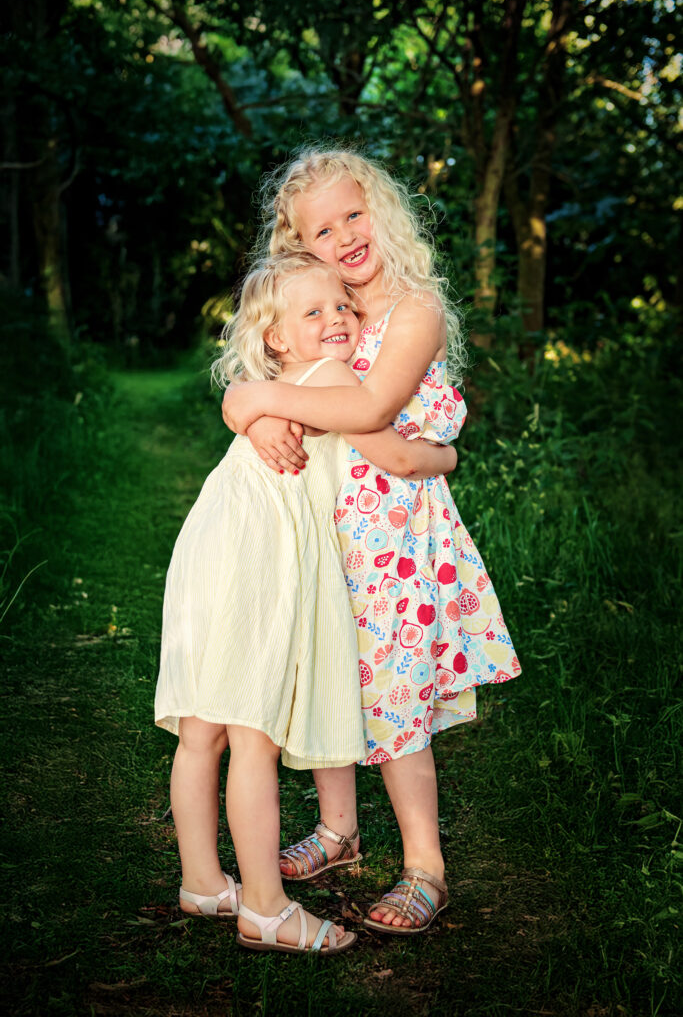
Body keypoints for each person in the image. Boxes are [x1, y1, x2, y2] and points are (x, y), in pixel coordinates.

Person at [221, 149, 521, 935]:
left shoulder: (412, 309)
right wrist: (252, 404)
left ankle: (425, 866)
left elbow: (371, 410)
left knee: (394, 696)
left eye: (353, 215)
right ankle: (338, 832)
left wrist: (258, 399)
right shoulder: (320, 307)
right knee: (326, 671)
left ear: (381, 211)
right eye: (322, 230)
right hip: (321, 527)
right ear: (300, 246)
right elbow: (282, 380)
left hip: (393, 545)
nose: (344, 236)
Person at [154, 250, 458, 954]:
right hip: (258, 553)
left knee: (203, 728)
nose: (337, 319)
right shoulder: (333, 378)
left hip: (211, 539)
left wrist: (253, 403)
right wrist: (447, 457)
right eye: (314, 311)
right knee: (252, 732)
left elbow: (246, 399)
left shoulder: (275, 385)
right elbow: (397, 454)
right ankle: (266, 910)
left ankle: (203, 882)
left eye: (343, 306)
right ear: (275, 337)